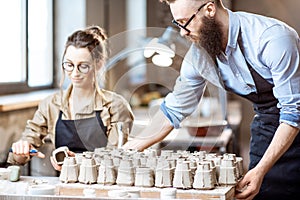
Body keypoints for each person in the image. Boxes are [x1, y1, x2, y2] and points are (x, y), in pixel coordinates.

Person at [123, 0, 300, 199]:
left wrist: (261, 170)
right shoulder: (199, 56)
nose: (182, 32)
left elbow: (293, 113)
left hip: (292, 120)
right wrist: (129, 148)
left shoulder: (272, 38)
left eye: (185, 22)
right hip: (268, 125)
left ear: (209, 9)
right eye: (178, 24)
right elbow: (172, 110)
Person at [8, 25, 134, 171]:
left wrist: (78, 161)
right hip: (64, 185)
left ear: (98, 65)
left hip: (104, 187)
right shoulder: (51, 105)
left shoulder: (116, 106)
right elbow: (18, 158)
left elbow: (116, 158)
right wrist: (20, 150)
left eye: (83, 66)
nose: (74, 73)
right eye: (69, 65)